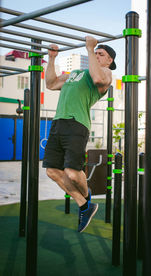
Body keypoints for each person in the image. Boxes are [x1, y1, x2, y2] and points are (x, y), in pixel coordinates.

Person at [43, 36, 116, 233]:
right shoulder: (75, 73)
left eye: (102, 54)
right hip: (58, 123)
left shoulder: (106, 73)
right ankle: (84, 204)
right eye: (97, 53)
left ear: (109, 60)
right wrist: (51, 59)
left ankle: (86, 194)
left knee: (73, 173)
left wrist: (90, 50)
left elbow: (98, 78)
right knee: (51, 171)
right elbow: (50, 84)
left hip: (77, 124)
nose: (98, 55)